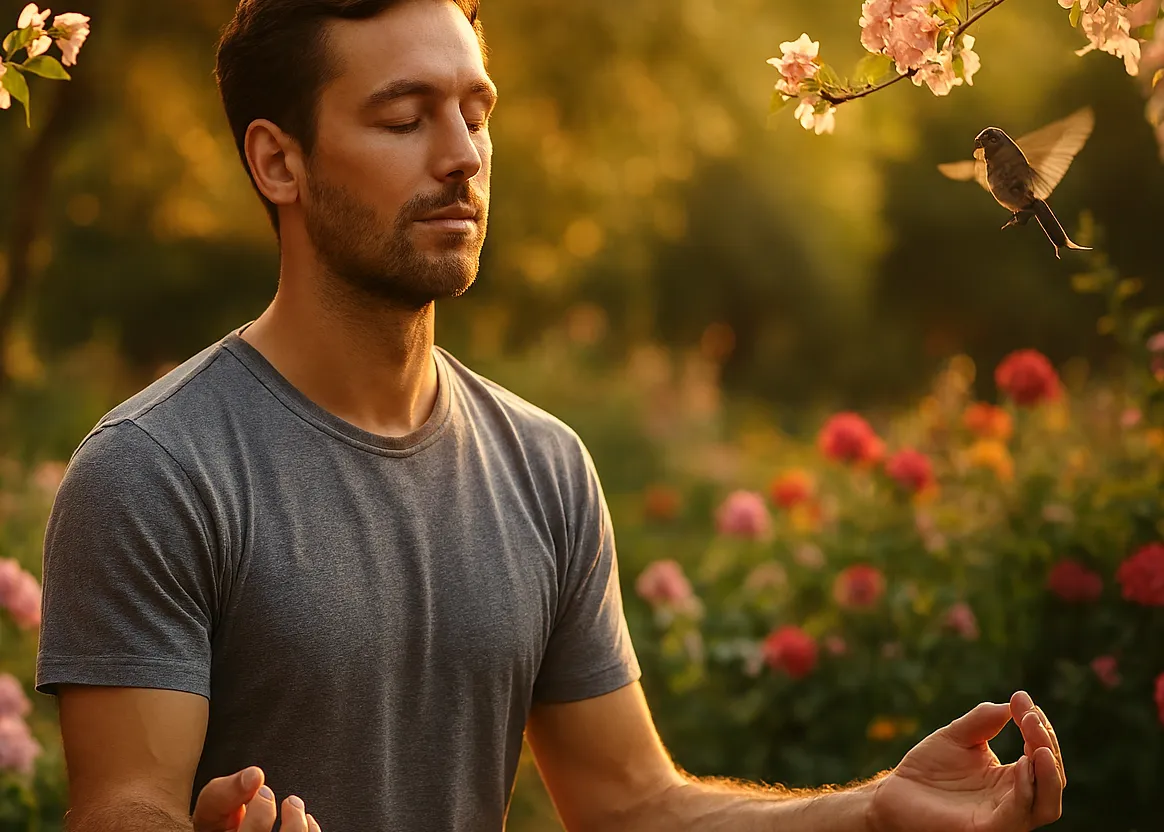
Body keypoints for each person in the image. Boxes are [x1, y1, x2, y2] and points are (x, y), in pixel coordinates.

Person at [35, 1, 1067, 830]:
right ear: (278, 162)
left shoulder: (542, 466)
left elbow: (631, 803)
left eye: (476, 114)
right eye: (405, 118)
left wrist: (878, 809)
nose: (465, 157)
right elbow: (123, 806)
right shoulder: (156, 469)